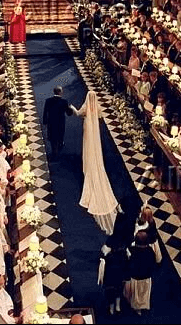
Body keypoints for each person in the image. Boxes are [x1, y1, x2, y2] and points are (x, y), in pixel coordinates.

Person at [72, 90, 118, 234]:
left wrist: (73, 107)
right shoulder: (96, 107)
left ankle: (87, 168)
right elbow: (100, 115)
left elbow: (78, 113)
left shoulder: (86, 107)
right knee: (95, 150)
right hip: (94, 132)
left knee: (87, 148)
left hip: (87, 130)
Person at [124, 231, 156, 316]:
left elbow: (128, 264)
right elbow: (153, 263)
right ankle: (140, 306)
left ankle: (136, 307)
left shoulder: (132, 250)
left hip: (135, 277)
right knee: (142, 294)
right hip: (146, 277)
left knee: (135, 294)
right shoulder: (150, 251)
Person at [97, 235, 128, 315]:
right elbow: (126, 267)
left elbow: (103, 270)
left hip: (110, 280)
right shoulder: (124, 255)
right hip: (120, 278)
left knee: (110, 294)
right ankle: (118, 307)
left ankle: (111, 309)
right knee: (119, 292)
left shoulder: (108, 257)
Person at [43, 86, 73, 160]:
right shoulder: (64, 102)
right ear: (60, 92)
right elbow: (69, 113)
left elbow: (45, 112)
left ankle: (54, 151)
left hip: (51, 122)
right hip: (60, 123)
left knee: (52, 136)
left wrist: (45, 122)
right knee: (60, 135)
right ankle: (59, 145)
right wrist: (71, 108)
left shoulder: (48, 101)